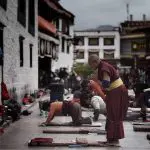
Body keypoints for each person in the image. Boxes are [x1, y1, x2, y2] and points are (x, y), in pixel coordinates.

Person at [88, 54, 129, 145]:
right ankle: (111, 138)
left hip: (117, 91)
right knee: (111, 114)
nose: (91, 67)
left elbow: (106, 83)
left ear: (95, 62)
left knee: (114, 115)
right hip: (114, 91)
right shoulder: (102, 66)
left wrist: (96, 83)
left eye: (91, 65)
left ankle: (114, 139)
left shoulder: (104, 68)